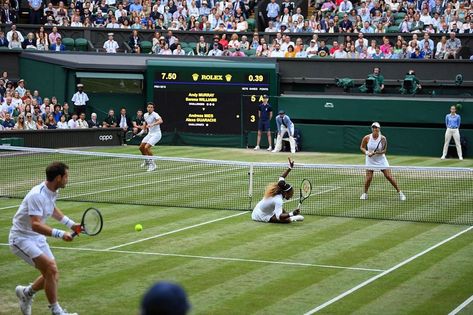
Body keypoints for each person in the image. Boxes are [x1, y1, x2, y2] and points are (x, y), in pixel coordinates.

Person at [9, 162, 79, 315]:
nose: (68, 179)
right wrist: (61, 234)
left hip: (36, 238)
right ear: (59, 178)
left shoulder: (52, 191)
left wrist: (71, 224)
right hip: (21, 238)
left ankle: (26, 293)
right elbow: (35, 225)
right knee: (51, 269)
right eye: (66, 176)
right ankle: (56, 311)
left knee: (53, 274)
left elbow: (52, 209)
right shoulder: (37, 195)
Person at [359, 122, 406, 201]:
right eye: (373, 128)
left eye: (376, 128)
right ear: (372, 129)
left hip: (381, 160)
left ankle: (400, 193)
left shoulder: (383, 138)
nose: (375, 129)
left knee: (389, 176)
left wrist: (375, 152)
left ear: (379, 129)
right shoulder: (366, 138)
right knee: (368, 178)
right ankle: (365, 194)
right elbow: (362, 147)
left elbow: (384, 151)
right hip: (370, 160)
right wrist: (367, 153)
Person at [251, 158, 304, 223]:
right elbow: (279, 217)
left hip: (262, 207)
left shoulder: (281, 187)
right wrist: (292, 213)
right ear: (285, 193)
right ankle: (293, 218)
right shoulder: (278, 200)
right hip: (260, 215)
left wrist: (290, 168)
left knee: (281, 210)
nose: (291, 196)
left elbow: (281, 177)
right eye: (290, 194)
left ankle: (290, 216)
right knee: (286, 220)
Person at [140, 102, 163, 172]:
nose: (149, 108)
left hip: (157, 134)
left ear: (153, 108)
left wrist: (153, 124)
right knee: (141, 147)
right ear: (147, 108)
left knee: (146, 147)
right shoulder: (145, 115)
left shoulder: (155, 114)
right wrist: (142, 131)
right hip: (150, 134)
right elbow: (145, 124)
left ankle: (153, 165)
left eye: (151, 107)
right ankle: (147, 160)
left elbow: (161, 121)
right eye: (148, 107)